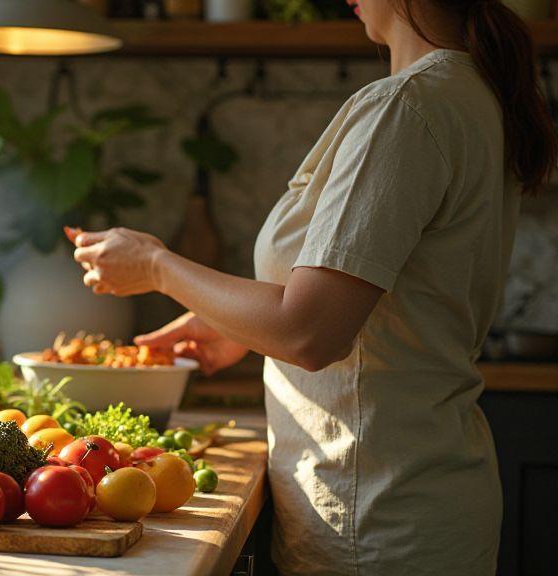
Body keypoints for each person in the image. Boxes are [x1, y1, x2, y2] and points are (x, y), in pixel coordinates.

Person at [66, 1, 556, 574]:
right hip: (417, 499)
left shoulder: (405, 108)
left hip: (375, 517)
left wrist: (156, 266)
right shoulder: (466, 94)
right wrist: (239, 327)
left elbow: (308, 332)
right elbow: (382, 308)